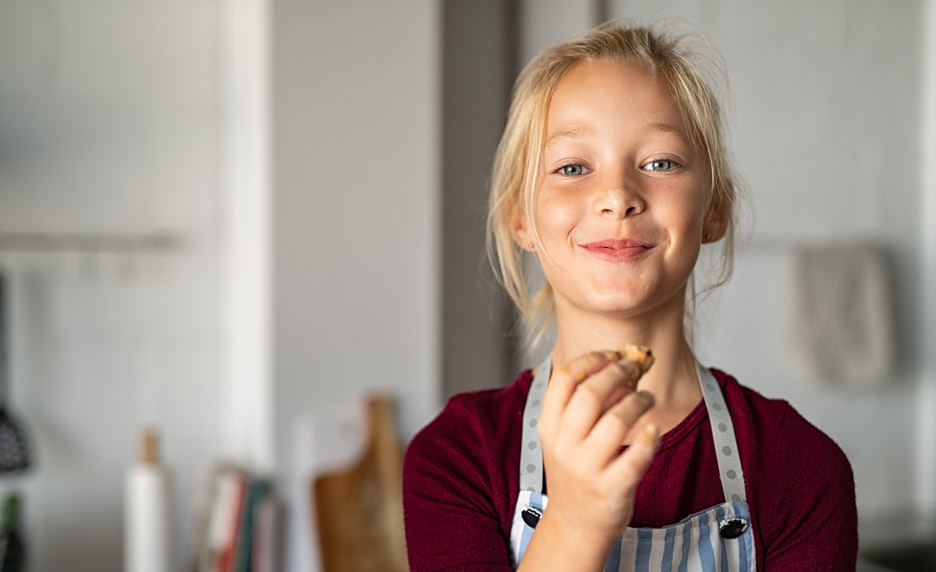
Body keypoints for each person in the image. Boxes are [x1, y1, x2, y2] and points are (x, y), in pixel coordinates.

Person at [403, 20, 857, 571]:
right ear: (520, 219)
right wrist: (575, 522)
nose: (617, 195)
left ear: (714, 209)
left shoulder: (803, 466)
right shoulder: (456, 456)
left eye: (660, 163)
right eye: (572, 167)